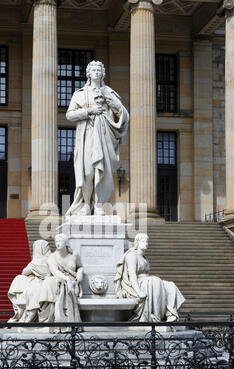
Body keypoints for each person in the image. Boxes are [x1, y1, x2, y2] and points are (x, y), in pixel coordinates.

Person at [65, 60, 129, 216]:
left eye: (99, 69)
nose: (96, 72)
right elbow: (69, 115)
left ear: (103, 72)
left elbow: (124, 115)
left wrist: (112, 102)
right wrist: (88, 111)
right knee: (88, 171)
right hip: (87, 135)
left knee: (103, 172)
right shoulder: (79, 93)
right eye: (93, 69)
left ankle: (99, 205)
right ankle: (86, 205)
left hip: (105, 135)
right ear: (88, 73)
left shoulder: (110, 92)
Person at [114, 233, 186, 323]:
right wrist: (138, 292)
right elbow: (132, 275)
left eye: (147, 241)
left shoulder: (144, 257)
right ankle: (155, 316)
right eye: (143, 241)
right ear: (137, 242)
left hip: (146, 281)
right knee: (155, 280)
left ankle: (170, 314)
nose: (146, 243)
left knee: (170, 285)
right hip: (136, 283)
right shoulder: (132, 255)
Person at [7, 239, 54, 323]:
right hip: (49, 282)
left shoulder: (35, 262)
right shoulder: (52, 259)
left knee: (19, 278)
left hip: (42, 283)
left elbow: (24, 272)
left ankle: (21, 314)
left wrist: (34, 272)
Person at [46, 233, 83, 332]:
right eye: (56, 242)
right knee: (62, 288)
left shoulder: (74, 255)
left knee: (69, 288)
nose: (57, 244)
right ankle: (62, 321)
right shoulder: (52, 257)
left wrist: (80, 274)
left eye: (60, 241)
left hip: (73, 281)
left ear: (66, 242)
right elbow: (55, 271)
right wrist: (67, 280)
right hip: (60, 280)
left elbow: (80, 266)